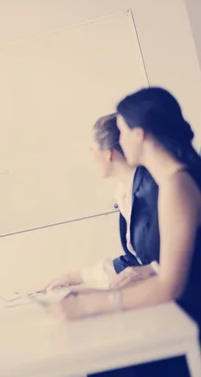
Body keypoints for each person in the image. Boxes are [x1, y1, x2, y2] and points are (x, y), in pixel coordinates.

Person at [47, 87, 201, 376]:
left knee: (101, 365)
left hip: (194, 327)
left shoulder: (176, 185)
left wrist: (90, 305)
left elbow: (171, 286)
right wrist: (149, 270)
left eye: (121, 132)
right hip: (182, 316)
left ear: (140, 134)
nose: (118, 142)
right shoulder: (179, 179)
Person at [45, 113, 159, 291]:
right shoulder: (124, 193)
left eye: (92, 149)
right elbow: (135, 261)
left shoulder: (153, 190)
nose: (91, 156)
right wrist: (76, 277)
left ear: (108, 153)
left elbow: (159, 261)